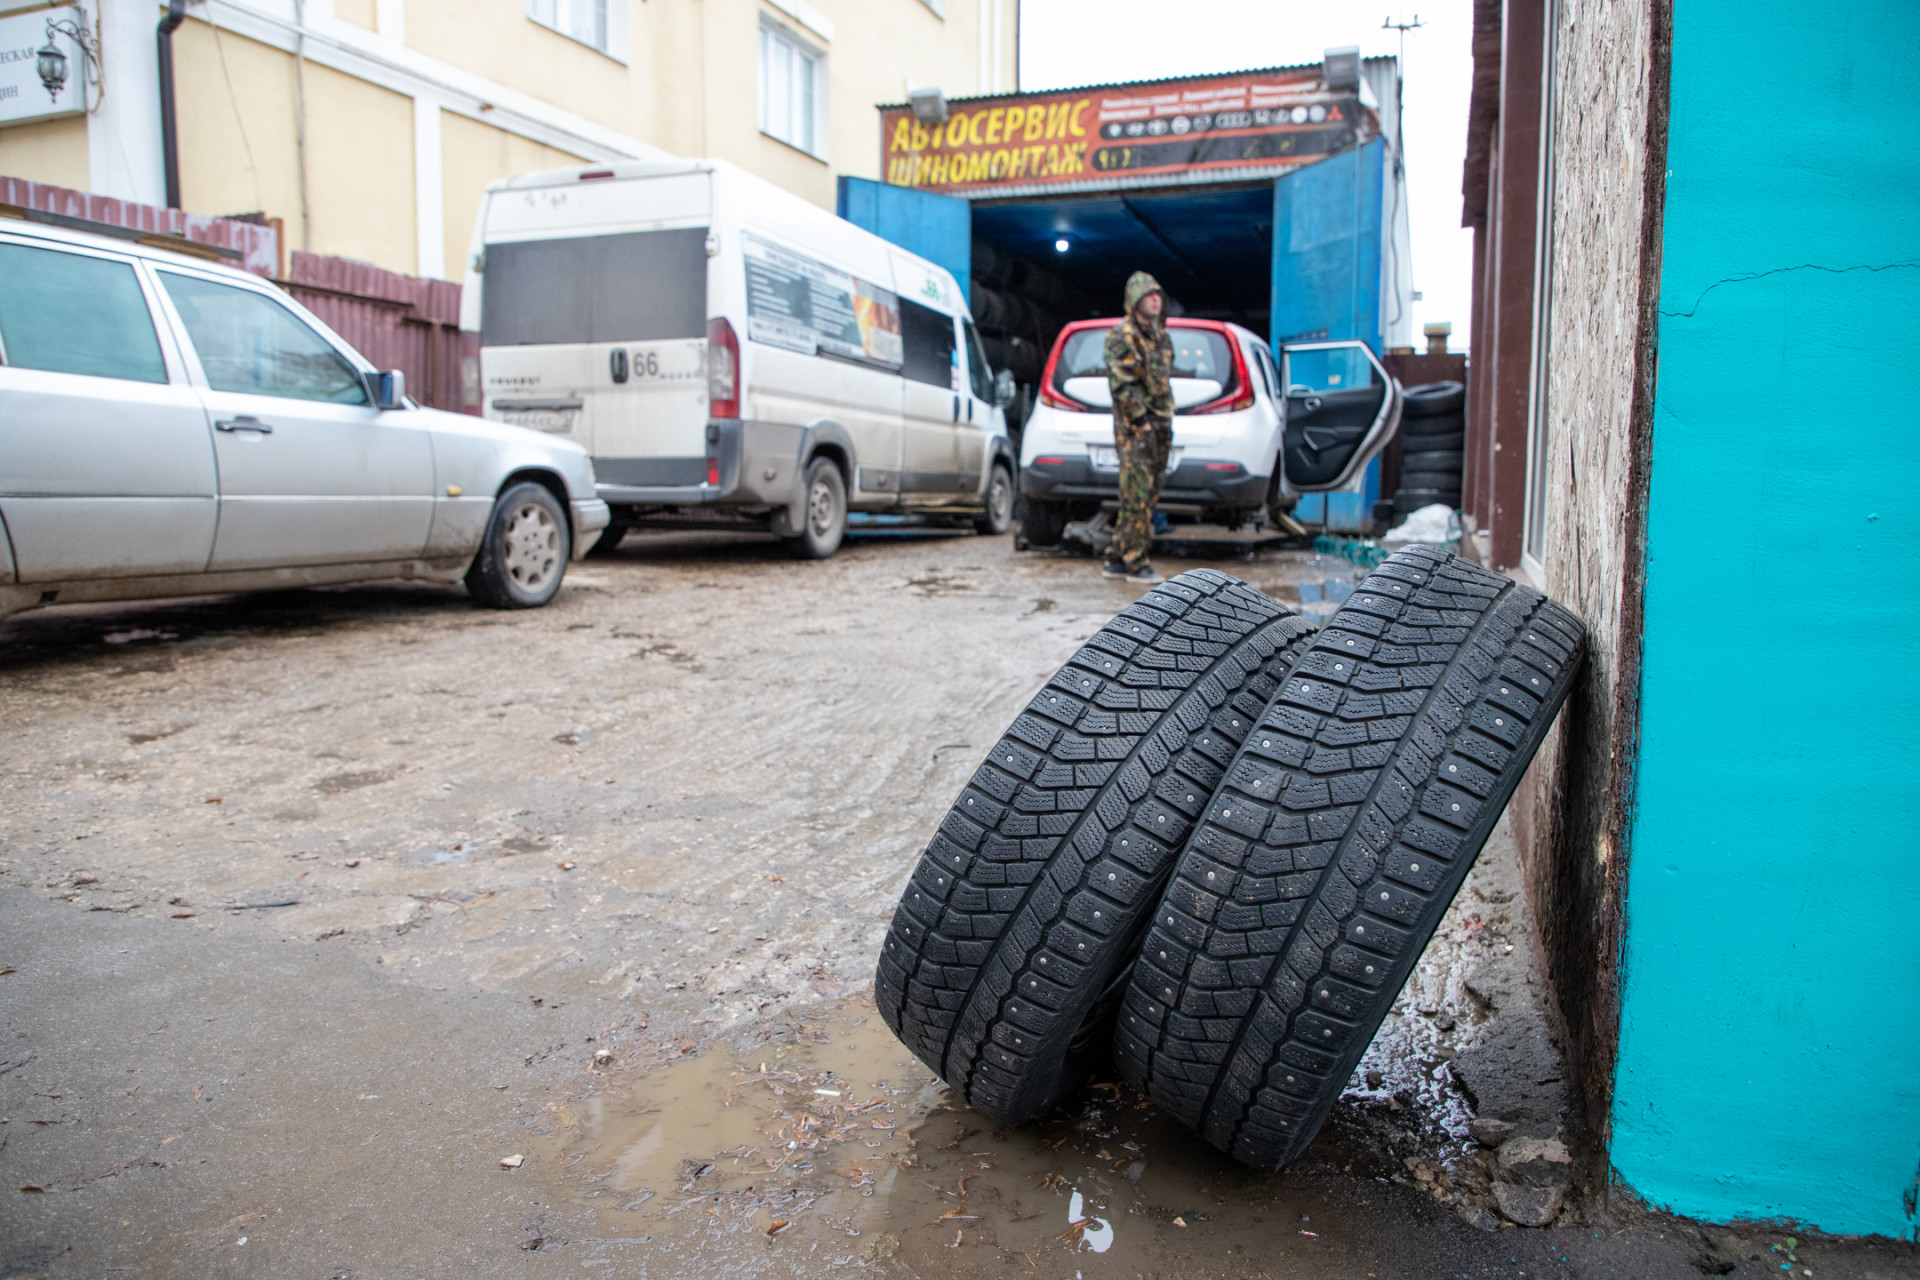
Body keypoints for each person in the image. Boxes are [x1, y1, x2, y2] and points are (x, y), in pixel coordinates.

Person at [1102, 271, 1174, 583]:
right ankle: (1136, 562)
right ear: (1134, 301)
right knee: (1136, 495)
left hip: (1160, 423)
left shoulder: (1161, 336)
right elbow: (1123, 386)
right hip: (1136, 428)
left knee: (1149, 492)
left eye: (1158, 294)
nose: (1155, 299)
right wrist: (1142, 423)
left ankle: (1116, 557)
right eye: (1148, 295)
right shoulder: (1123, 335)